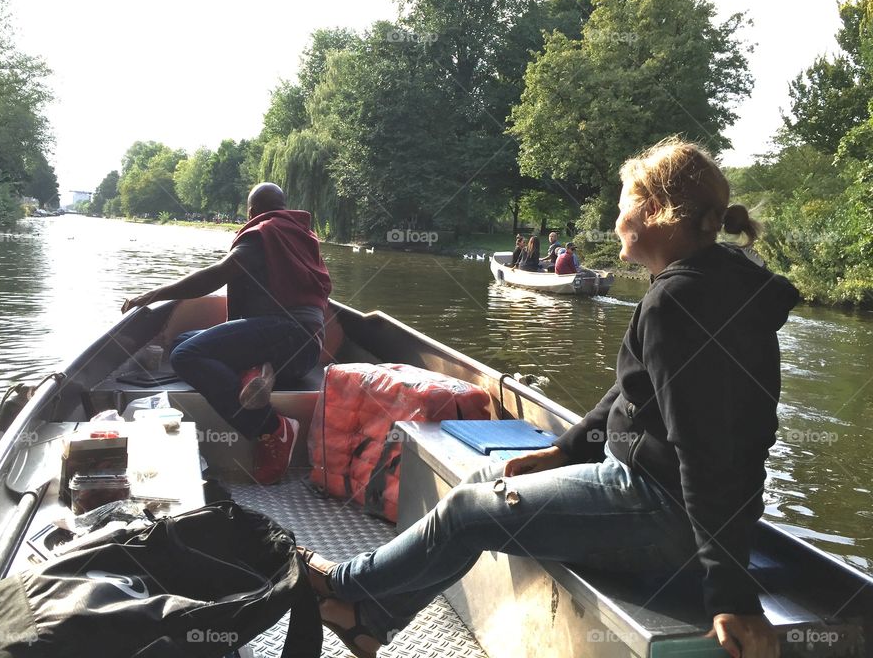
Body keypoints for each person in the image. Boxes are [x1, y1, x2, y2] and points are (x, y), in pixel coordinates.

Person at [300, 138, 793, 658]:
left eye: (623, 201)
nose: (616, 213)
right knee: (491, 478)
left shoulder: (680, 300)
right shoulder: (711, 284)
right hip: (659, 497)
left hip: (663, 513)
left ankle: (342, 585)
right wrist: (563, 450)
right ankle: (369, 621)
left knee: (469, 509)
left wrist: (732, 597)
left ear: (652, 212)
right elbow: (634, 393)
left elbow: (706, 448)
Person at [121, 183, 331, 485]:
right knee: (184, 340)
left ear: (252, 211)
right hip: (303, 345)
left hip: (289, 336)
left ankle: (273, 428)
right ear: (283, 206)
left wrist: (154, 293)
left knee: (186, 354)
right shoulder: (300, 234)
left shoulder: (265, 232)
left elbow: (218, 274)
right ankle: (256, 370)